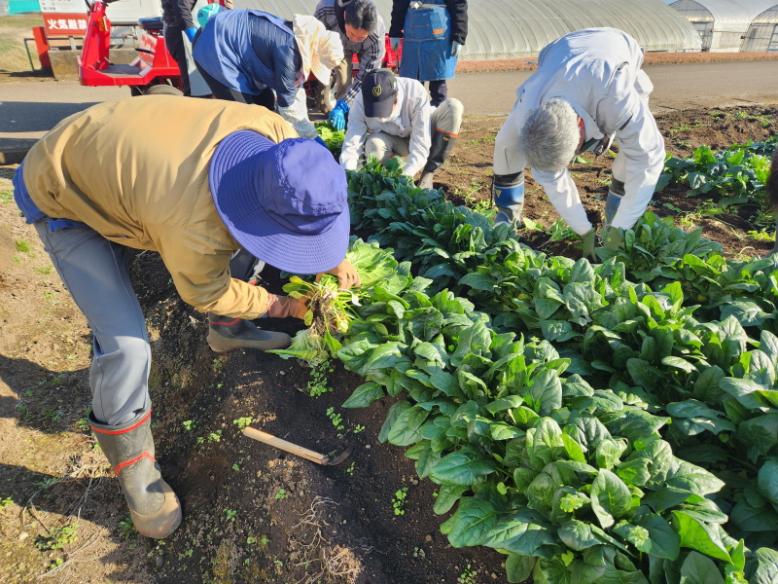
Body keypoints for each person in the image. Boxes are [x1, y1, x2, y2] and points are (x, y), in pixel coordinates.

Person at [12, 96, 360, 539]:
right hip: (63, 189)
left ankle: (229, 333)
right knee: (127, 346)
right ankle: (136, 469)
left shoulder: (278, 143)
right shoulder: (192, 224)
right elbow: (205, 290)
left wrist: (329, 256)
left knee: (230, 246)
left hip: (121, 164)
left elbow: (294, 205)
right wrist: (283, 306)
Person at [492, 28, 665, 259]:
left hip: (618, 50)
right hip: (563, 50)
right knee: (505, 142)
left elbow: (648, 160)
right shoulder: (529, 106)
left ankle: (613, 223)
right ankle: (507, 220)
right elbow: (553, 180)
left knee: (631, 157)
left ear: (580, 126)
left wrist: (621, 227)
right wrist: (583, 231)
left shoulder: (618, 99)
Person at [192, 8, 344, 138]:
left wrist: (305, 125)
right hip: (215, 46)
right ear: (314, 54)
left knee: (266, 102)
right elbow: (287, 105)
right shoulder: (289, 52)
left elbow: (296, 92)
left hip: (235, 46)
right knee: (244, 115)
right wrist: (311, 137)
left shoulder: (301, 40)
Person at [339, 68, 463, 189]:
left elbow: (420, 146)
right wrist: (349, 177)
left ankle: (428, 173)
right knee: (374, 145)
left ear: (396, 97)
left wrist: (403, 178)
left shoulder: (415, 93)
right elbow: (352, 144)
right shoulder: (360, 100)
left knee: (454, 107)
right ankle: (387, 176)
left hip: (424, 133)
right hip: (393, 139)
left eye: (384, 108)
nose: (380, 116)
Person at [314, 0, 386, 131]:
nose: (354, 38)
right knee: (343, 78)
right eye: (352, 33)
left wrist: (344, 104)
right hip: (337, 44)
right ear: (345, 16)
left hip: (365, 49)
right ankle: (326, 105)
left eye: (361, 37)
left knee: (363, 86)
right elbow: (314, 38)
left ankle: (344, 111)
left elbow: (366, 75)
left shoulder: (376, 35)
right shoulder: (325, 10)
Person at [389, 0, 468, 107]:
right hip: (413, 33)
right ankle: (414, 117)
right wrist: (395, 31)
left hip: (439, 33)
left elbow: (459, 4)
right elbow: (399, 4)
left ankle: (439, 116)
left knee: (438, 84)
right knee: (413, 86)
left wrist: (459, 34)